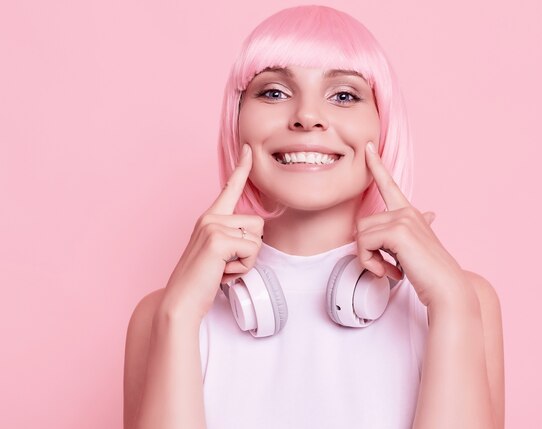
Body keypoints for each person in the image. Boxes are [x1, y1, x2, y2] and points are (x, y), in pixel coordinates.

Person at [123, 5, 504, 429]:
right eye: (273, 92)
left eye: (344, 95)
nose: (307, 116)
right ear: (236, 121)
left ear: (384, 125)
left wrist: (452, 305)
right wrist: (178, 317)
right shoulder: (165, 314)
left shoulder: (463, 301)